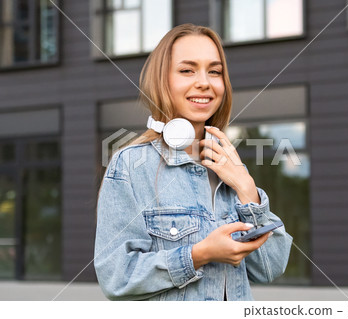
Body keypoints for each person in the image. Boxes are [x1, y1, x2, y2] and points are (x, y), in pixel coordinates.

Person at [94, 23, 292, 301]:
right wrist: (199, 255)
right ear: (162, 81)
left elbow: (271, 267)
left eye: (215, 71)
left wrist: (247, 190)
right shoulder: (131, 165)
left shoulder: (231, 168)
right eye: (187, 70)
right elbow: (116, 277)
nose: (204, 82)